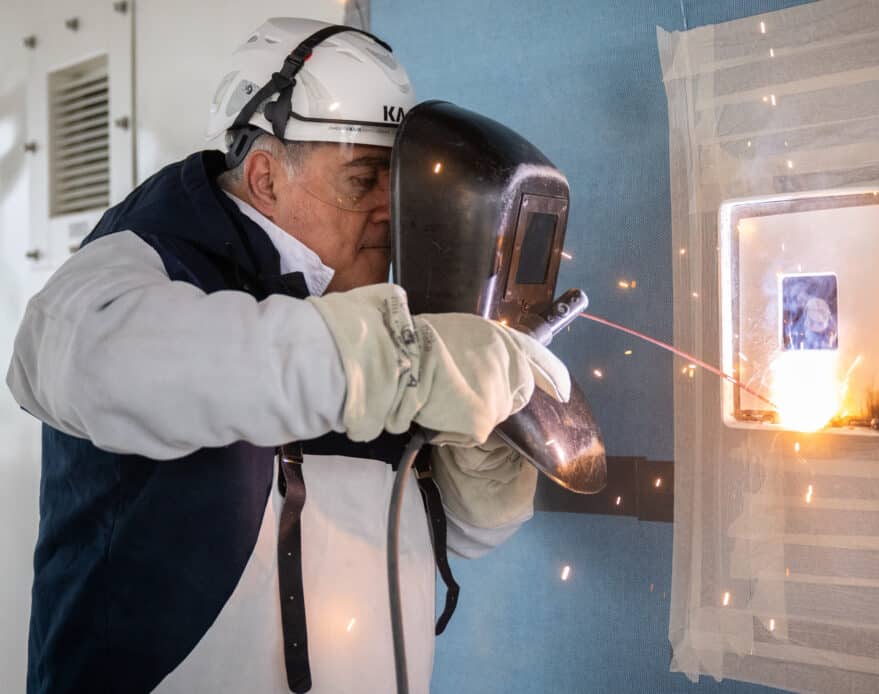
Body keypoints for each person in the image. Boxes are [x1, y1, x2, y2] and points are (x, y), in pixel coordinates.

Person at [6, 17, 569, 694]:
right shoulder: (143, 262)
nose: (388, 213)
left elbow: (427, 539)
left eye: (395, 187)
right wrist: (386, 363)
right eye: (362, 179)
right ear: (267, 177)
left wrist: (481, 475)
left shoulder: (375, 303)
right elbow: (69, 363)